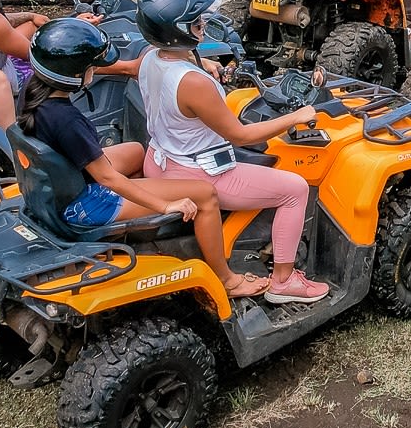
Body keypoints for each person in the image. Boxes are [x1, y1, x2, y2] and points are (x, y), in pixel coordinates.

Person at [19, 19, 268, 299]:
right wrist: (165, 204)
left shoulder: (35, 91)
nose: (95, 69)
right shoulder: (67, 121)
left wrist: (195, 64)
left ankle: (145, 228)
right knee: (205, 195)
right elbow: (106, 177)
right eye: (92, 66)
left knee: (137, 151)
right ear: (75, 73)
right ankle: (228, 281)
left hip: (62, 182)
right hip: (85, 201)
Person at [134, 0, 333, 305]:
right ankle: (283, 281)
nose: (202, 27)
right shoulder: (194, 84)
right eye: (196, 23)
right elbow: (241, 135)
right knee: (295, 189)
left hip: (159, 161)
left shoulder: (149, 57)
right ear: (178, 32)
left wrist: (201, 64)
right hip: (198, 175)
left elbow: (165, 75)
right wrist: (295, 117)